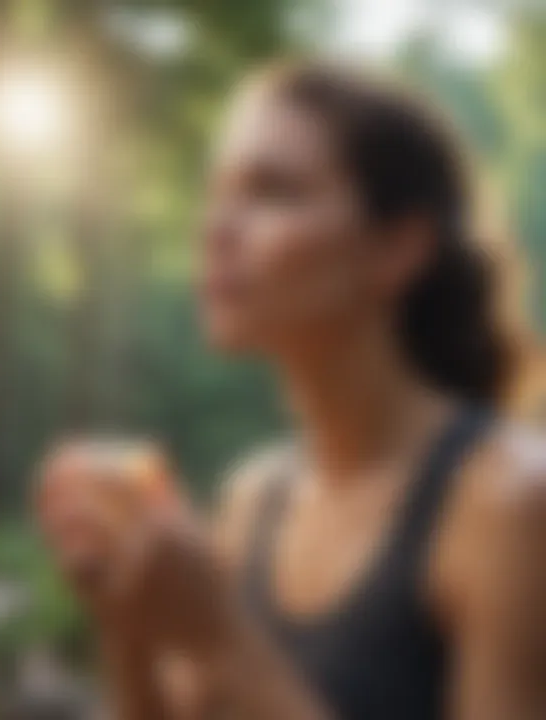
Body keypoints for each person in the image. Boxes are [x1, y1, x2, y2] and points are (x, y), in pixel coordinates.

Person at [36, 62, 546, 720]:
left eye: (272, 192)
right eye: (216, 194)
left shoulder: (508, 507)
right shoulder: (250, 503)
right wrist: (127, 621)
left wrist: (221, 643)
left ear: (397, 249)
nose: (216, 228)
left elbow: (229, 659)